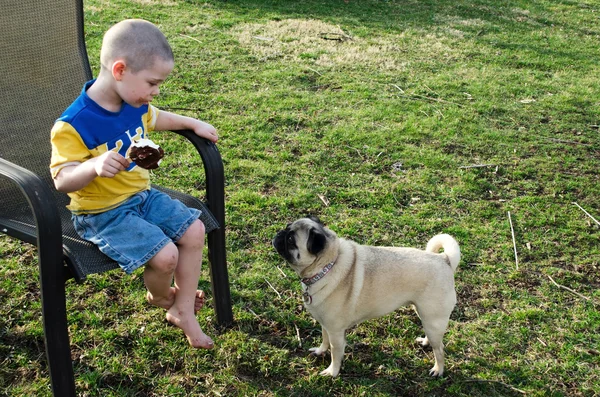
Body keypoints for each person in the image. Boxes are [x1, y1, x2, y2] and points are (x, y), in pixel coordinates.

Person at [50, 19, 218, 349]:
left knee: (195, 230)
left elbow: (157, 117)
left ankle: (183, 310)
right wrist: (94, 166)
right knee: (166, 255)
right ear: (120, 69)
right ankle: (159, 297)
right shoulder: (74, 124)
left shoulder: (133, 102)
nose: (155, 91)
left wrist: (192, 123)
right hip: (102, 214)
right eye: (153, 82)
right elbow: (61, 180)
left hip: (142, 197)